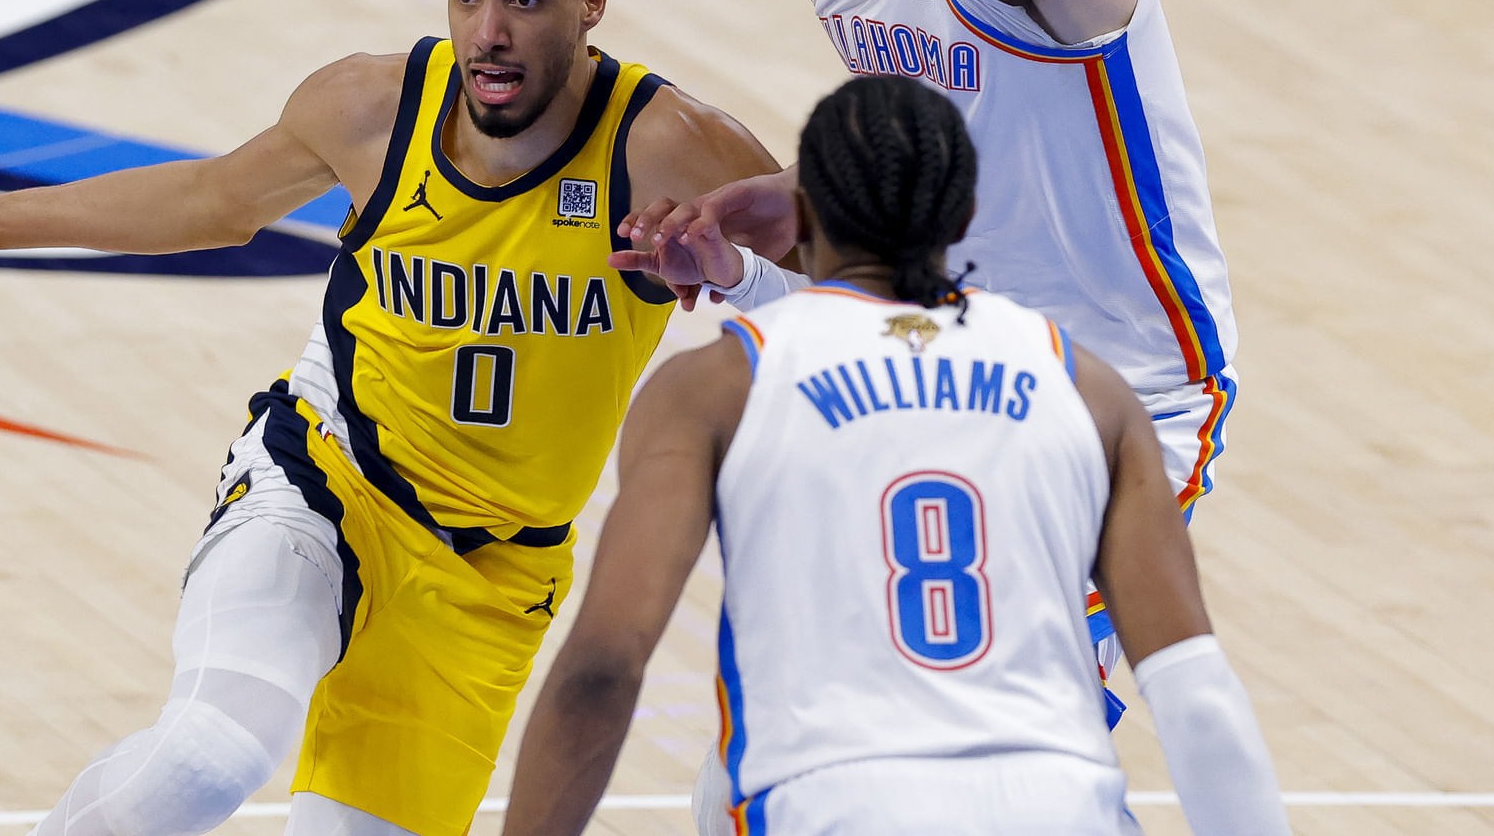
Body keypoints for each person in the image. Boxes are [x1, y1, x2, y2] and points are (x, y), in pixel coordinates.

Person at [380, 0, 1238, 698]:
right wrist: (789, 204)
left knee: (1005, 733)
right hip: (949, 367)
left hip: (1126, 388)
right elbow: (965, 126)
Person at [0, 0, 781, 836]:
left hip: (493, 574)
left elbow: (837, 285)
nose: (488, 31)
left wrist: (736, 276)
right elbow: (209, 200)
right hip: (325, 478)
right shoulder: (372, 107)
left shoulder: (670, 145)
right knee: (207, 754)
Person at [501, 75, 1287, 836]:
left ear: (801, 218)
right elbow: (1196, 693)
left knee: (722, 789)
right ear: (967, 213)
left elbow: (603, 667)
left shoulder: (711, 389)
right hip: (1055, 804)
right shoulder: (1091, 390)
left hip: (835, 801)